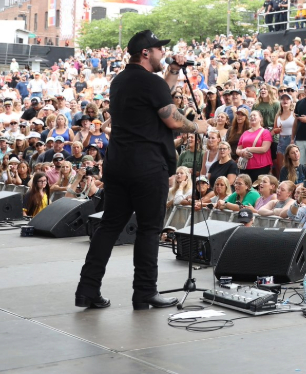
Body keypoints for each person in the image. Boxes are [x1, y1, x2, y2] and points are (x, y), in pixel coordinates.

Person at [77, 30, 209, 311]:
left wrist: (172, 70)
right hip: (147, 166)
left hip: (119, 163)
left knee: (109, 225)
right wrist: (198, 126)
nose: (163, 53)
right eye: (159, 50)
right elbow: (171, 118)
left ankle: (87, 288)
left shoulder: (121, 80)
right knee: (149, 230)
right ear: (146, 53)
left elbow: (159, 95)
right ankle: (145, 292)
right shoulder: (150, 83)